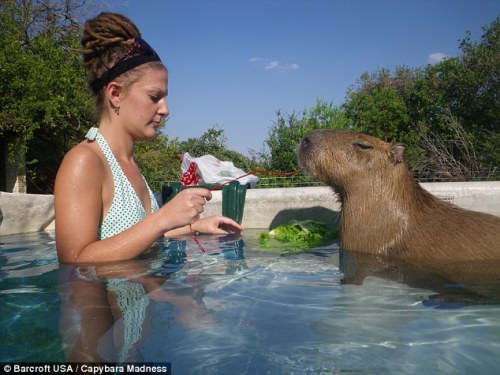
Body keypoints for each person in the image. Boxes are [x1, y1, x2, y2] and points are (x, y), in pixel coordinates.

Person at [54, 12, 243, 264]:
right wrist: (163, 218)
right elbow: (74, 259)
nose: (165, 109)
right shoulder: (84, 161)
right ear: (116, 95)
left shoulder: (129, 163)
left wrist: (195, 227)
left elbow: (135, 238)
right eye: (155, 97)